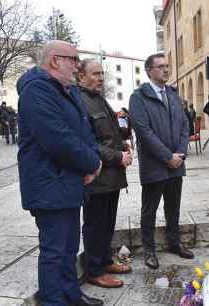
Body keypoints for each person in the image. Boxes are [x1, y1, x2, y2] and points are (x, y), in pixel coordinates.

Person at [16, 40, 104, 306]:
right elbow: (58, 138)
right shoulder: (36, 91)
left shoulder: (67, 90)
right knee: (55, 252)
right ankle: (55, 301)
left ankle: (71, 295)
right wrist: (92, 163)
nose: (77, 66)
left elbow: (84, 130)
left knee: (68, 249)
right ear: (56, 60)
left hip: (67, 182)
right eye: (74, 59)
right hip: (49, 184)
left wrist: (92, 161)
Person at [128, 53, 193, 270]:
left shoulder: (173, 94)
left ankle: (174, 243)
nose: (166, 70)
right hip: (155, 165)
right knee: (150, 210)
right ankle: (149, 250)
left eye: (167, 66)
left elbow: (185, 125)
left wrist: (180, 153)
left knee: (173, 207)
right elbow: (144, 132)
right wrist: (167, 157)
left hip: (177, 163)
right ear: (149, 71)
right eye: (161, 67)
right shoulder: (138, 97)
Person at [77, 59, 133, 289]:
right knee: (94, 225)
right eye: (95, 74)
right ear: (80, 76)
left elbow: (110, 135)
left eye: (102, 74)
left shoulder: (98, 99)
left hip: (112, 177)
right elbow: (88, 143)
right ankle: (95, 270)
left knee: (108, 223)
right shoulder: (80, 101)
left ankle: (105, 260)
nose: (100, 78)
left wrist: (124, 136)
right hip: (97, 176)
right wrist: (118, 156)